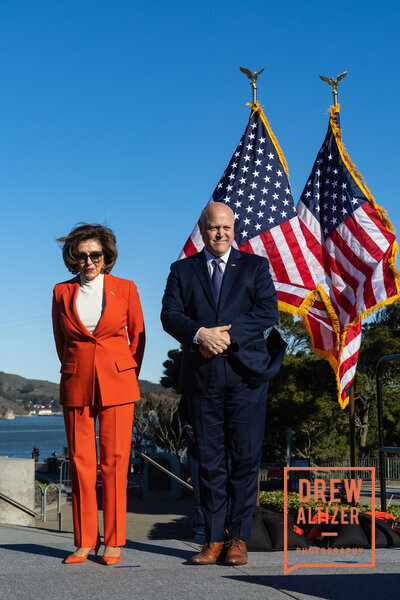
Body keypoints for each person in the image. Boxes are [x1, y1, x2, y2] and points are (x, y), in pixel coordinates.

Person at [161, 202, 279, 566]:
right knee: (210, 463)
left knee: (244, 459)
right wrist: (199, 334)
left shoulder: (255, 266)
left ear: (234, 228)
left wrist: (224, 336)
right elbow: (170, 315)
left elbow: (267, 311)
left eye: (227, 227)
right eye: (214, 227)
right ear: (203, 229)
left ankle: (239, 540)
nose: (221, 233)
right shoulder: (183, 270)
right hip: (203, 378)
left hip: (247, 376)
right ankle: (213, 540)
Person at [52, 223, 145, 565]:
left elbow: (137, 338)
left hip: (118, 384)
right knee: (80, 463)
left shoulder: (126, 288)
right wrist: (79, 368)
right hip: (76, 383)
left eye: (95, 254)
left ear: (107, 256)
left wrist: (121, 370)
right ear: (72, 258)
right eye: (81, 255)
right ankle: (85, 541)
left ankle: (114, 541)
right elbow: (62, 343)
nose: (88, 261)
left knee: (116, 463)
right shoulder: (61, 292)